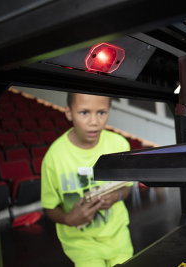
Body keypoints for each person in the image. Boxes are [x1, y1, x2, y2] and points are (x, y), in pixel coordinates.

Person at [41, 93, 133, 267]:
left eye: (101, 112)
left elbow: (126, 188)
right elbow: (49, 207)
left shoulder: (119, 145)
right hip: (81, 245)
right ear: (68, 112)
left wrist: (117, 196)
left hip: (118, 238)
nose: (94, 121)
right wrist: (68, 219)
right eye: (84, 112)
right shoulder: (53, 157)